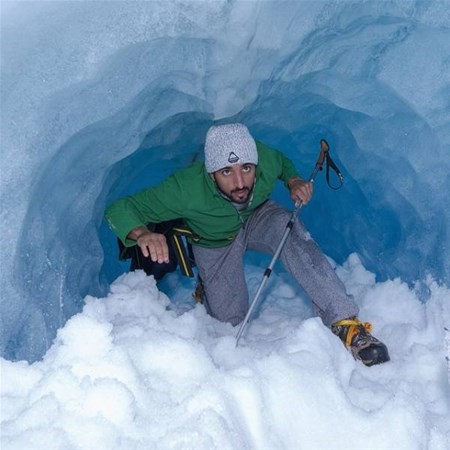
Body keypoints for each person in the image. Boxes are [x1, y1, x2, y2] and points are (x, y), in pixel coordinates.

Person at [105, 123, 389, 366]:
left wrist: (293, 181)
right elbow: (119, 209)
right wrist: (141, 233)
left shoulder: (264, 159)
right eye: (226, 172)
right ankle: (206, 279)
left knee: (289, 229)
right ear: (211, 172)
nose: (240, 182)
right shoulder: (184, 189)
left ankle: (346, 323)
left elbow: (281, 162)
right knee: (229, 320)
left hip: (257, 217)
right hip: (214, 239)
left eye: (246, 168)